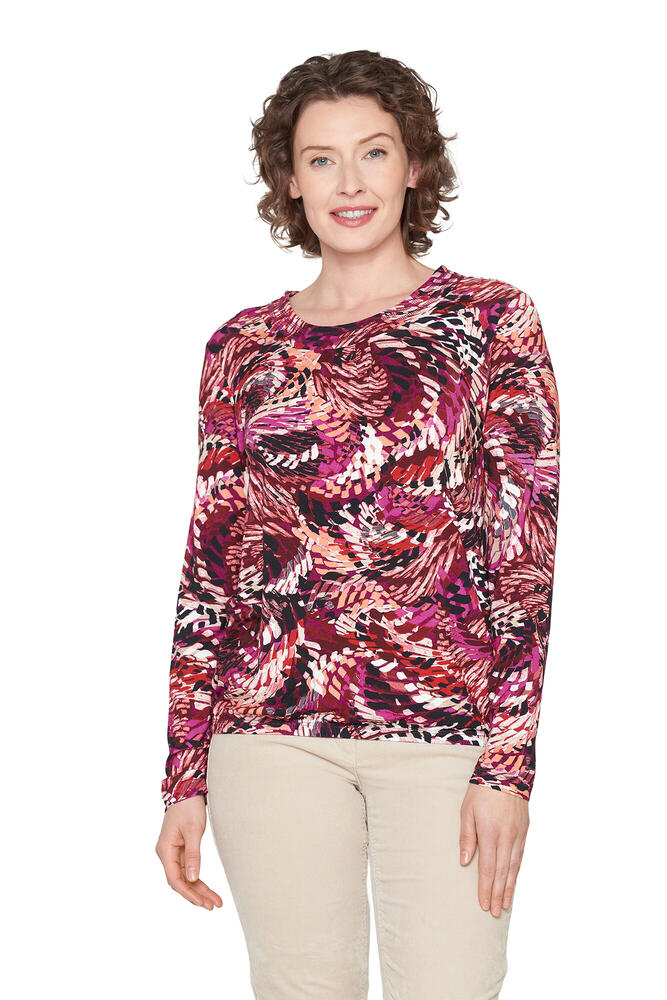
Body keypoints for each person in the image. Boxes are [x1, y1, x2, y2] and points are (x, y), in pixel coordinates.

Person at [155, 49, 561, 1000]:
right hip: (268, 737)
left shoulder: (492, 321)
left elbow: (525, 557)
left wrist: (508, 768)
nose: (350, 182)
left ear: (414, 165)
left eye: (373, 152)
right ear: (291, 181)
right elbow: (212, 565)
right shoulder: (242, 346)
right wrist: (183, 776)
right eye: (322, 159)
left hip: (446, 738)